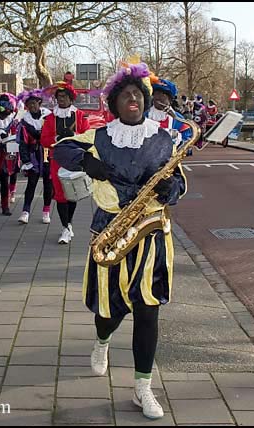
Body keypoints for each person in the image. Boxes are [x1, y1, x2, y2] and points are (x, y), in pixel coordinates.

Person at [53, 62, 188, 420]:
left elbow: (180, 184)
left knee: (148, 309)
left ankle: (143, 387)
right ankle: (102, 341)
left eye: (138, 95)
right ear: (113, 103)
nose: (134, 99)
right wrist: (87, 162)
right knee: (108, 311)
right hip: (110, 230)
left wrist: (169, 187)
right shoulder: (99, 135)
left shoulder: (164, 137)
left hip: (152, 232)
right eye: (126, 95)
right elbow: (60, 149)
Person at [41, 80, 90, 244]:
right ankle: (65, 227)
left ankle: (68, 224)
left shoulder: (80, 116)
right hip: (57, 160)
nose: (61, 99)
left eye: (64, 96)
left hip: (75, 160)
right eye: (59, 96)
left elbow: (87, 136)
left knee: (73, 194)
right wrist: (56, 138)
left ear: (70, 98)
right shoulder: (50, 117)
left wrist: (75, 138)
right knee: (61, 195)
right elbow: (44, 139)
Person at [16, 88, 53, 224]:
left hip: (48, 154)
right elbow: (22, 143)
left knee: (48, 184)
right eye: (29, 104)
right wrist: (25, 160)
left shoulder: (49, 118)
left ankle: (46, 212)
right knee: (31, 183)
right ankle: (25, 212)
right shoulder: (25, 122)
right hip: (33, 156)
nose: (32, 106)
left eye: (34, 103)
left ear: (39, 103)